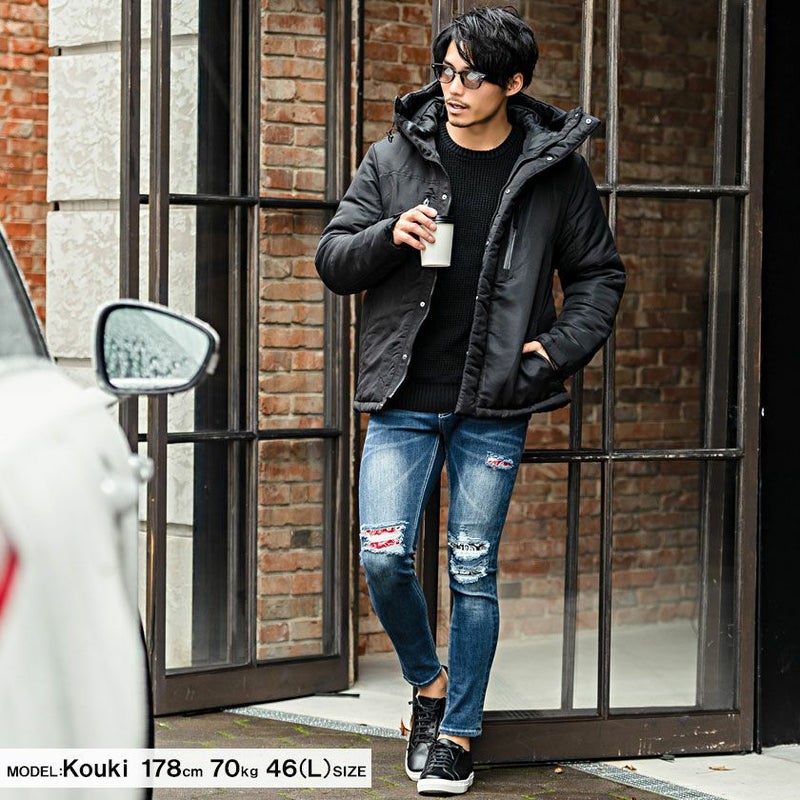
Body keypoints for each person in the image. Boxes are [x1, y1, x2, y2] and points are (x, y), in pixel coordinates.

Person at [315, 6, 625, 796]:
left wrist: (554, 351)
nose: (451, 88)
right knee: (383, 555)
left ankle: (456, 734)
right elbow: (333, 258)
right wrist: (389, 235)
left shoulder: (553, 171)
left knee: (472, 568)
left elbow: (598, 275)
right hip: (403, 397)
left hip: (494, 404)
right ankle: (429, 684)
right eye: (444, 72)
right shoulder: (395, 158)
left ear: (512, 83)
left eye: (470, 76)